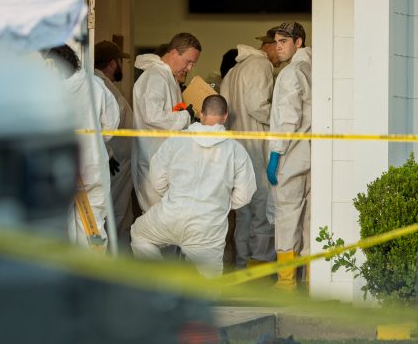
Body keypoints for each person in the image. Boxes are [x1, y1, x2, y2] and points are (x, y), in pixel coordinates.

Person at [129, 95, 257, 277]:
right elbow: (245, 195)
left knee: (139, 235)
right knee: (210, 286)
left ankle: (161, 282)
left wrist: (172, 197)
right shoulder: (235, 149)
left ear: (201, 114)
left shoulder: (176, 140)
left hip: (170, 216)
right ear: (226, 116)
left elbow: (157, 179)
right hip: (207, 228)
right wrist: (221, 203)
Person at [43, 44, 119, 249]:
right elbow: (111, 126)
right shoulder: (95, 86)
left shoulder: (49, 91)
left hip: (62, 167)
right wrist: (95, 143)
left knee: (62, 226)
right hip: (93, 165)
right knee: (93, 224)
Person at [220, 28, 282, 268]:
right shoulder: (260, 65)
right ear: (269, 46)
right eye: (278, 47)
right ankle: (261, 267)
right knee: (263, 210)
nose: (280, 55)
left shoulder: (234, 71)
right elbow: (258, 106)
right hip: (256, 147)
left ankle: (241, 264)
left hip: (235, 149)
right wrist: (282, 116)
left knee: (243, 211)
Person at [132, 32, 201, 214]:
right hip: (153, 162)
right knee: (159, 223)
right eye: (188, 61)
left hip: (164, 161)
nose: (189, 68)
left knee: (168, 223)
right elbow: (153, 117)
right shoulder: (155, 77)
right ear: (174, 53)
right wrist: (185, 116)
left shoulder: (167, 77)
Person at [266, 22, 312, 290]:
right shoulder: (312, 68)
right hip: (310, 155)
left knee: (286, 218)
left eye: (284, 41)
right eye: (276, 41)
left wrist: (276, 153)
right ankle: (309, 280)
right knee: (308, 220)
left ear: (299, 42)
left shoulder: (290, 73)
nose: (278, 46)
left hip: (290, 156)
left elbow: (288, 118)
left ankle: (285, 282)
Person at [93, 40, 134, 247]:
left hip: (117, 159)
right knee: (114, 213)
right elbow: (105, 126)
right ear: (111, 63)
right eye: (119, 61)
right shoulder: (105, 89)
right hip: (115, 161)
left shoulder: (103, 86)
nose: (121, 66)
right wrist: (108, 154)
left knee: (119, 213)